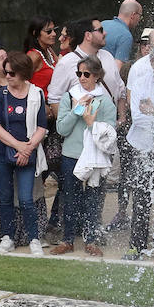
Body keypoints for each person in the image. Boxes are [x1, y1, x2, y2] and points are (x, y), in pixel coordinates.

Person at [51, 55, 115, 256]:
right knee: (70, 198)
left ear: (96, 76)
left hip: (95, 156)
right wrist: (77, 111)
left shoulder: (104, 101)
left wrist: (91, 123)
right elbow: (61, 129)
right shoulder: (69, 96)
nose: (82, 78)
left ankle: (91, 240)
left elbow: (110, 133)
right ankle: (67, 240)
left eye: (86, 74)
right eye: (79, 73)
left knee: (93, 199)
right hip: (72, 154)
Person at [0, 51, 48, 255]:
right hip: (2, 151)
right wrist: (18, 146)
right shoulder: (0, 94)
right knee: (5, 196)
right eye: (5, 72)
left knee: (25, 198)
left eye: (12, 73)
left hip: (27, 152)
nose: (7, 76)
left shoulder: (36, 93)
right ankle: (8, 237)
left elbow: (42, 126)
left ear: (23, 73)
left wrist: (28, 148)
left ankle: (34, 238)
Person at [125, 29, 154, 256]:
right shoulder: (140, 77)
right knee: (141, 196)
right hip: (142, 145)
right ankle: (137, 244)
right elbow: (139, 115)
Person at [102, 0, 141, 64]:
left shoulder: (102, 24)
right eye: (140, 15)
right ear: (133, 15)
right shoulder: (126, 36)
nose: (139, 20)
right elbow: (118, 67)